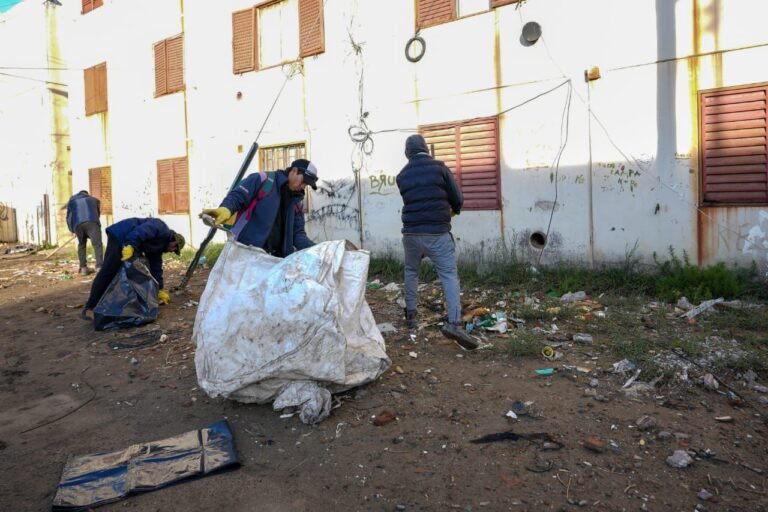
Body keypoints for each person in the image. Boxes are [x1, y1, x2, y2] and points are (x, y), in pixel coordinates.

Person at [396, 134, 478, 350]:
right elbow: (457, 198)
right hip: (437, 233)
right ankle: (454, 324)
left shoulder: (402, 176)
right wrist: (455, 210)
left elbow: (414, 200)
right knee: (449, 275)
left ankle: (411, 317)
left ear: (407, 153)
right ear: (427, 149)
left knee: (411, 272)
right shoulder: (439, 167)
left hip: (411, 234)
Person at [201, 159, 317, 257]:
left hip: (276, 261)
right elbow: (238, 196)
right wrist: (226, 209)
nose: (303, 186)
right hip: (247, 254)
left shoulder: (297, 202)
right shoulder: (264, 180)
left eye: (306, 185)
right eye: (304, 182)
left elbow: (298, 234)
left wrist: (317, 250)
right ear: (294, 171)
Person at [80, 217, 185, 320]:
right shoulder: (160, 227)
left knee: (131, 272)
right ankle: (90, 307)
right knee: (109, 271)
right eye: (174, 249)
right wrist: (131, 245)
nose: (172, 251)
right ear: (174, 241)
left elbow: (156, 268)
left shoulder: (159, 247)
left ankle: (113, 304)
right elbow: (140, 232)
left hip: (129, 241)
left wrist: (159, 289)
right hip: (120, 235)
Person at [65, 190, 103, 274]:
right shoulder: (94, 200)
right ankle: (99, 267)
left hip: (78, 225)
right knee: (97, 244)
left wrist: (73, 229)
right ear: (87, 194)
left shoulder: (71, 202)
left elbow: (69, 217)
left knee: (81, 245)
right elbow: (97, 213)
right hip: (92, 222)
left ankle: (83, 269)